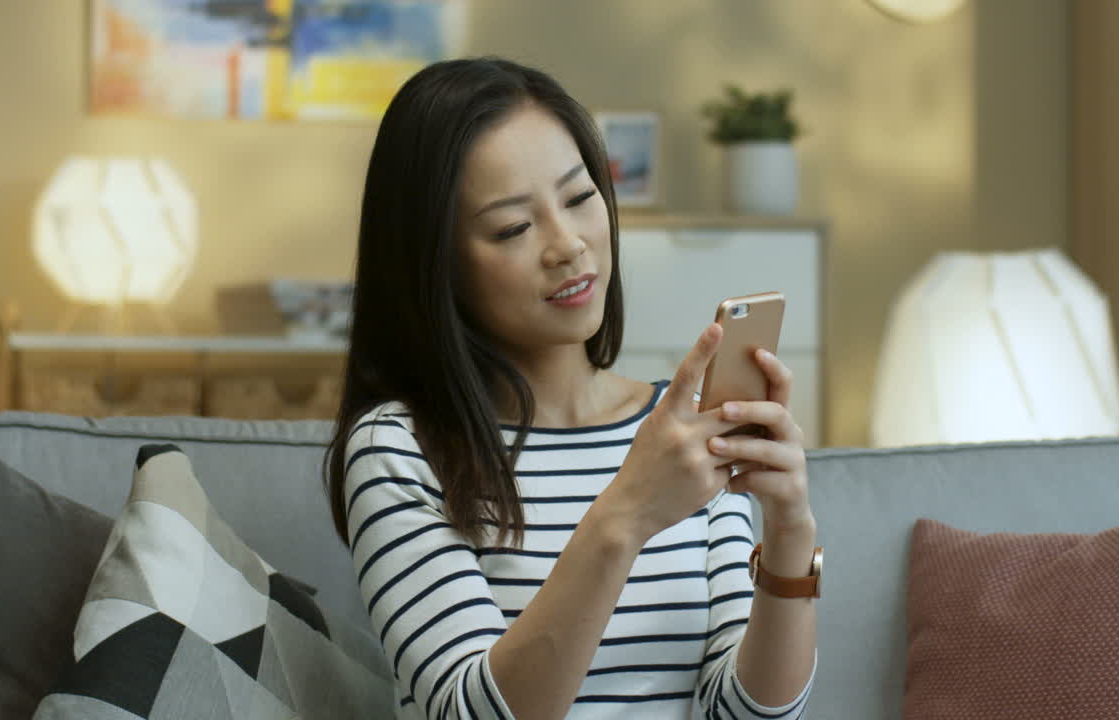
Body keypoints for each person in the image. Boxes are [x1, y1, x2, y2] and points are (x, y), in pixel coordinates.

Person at [324, 56, 819, 720]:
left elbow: (746, 714)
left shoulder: (680, 431)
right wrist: (625, 515)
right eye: (513, 228)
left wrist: (789, 535)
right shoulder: (397, 448)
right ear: (436, 263)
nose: (568, 246)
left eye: (581, 198)